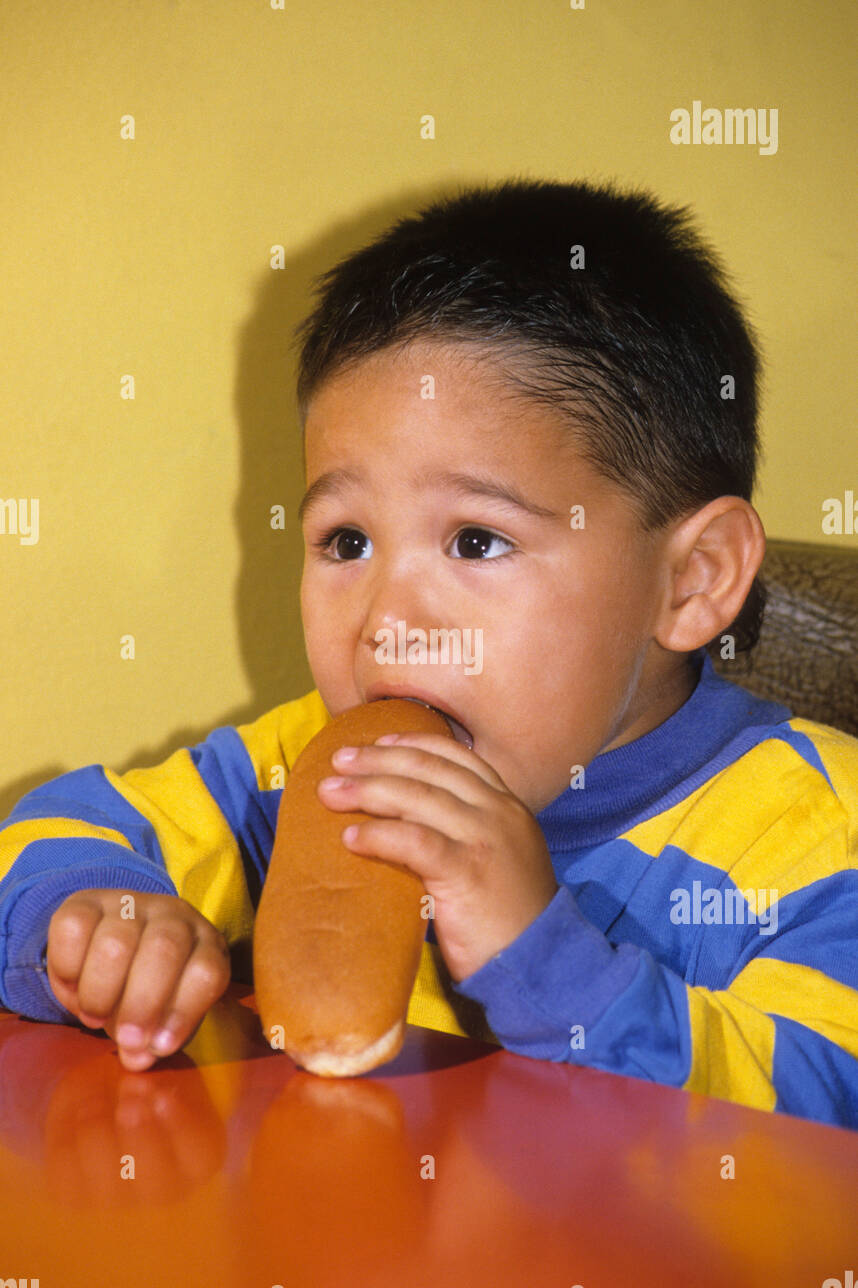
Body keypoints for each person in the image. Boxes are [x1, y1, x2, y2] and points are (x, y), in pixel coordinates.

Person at [2, 178, 856, 1126]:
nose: (385, 619)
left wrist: (542, 957)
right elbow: (67, 821)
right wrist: (100, 922)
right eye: (347, 542)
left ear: (691, 581)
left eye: (476, 541)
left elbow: (824, 1114)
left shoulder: (815, 833)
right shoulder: (311, 768)